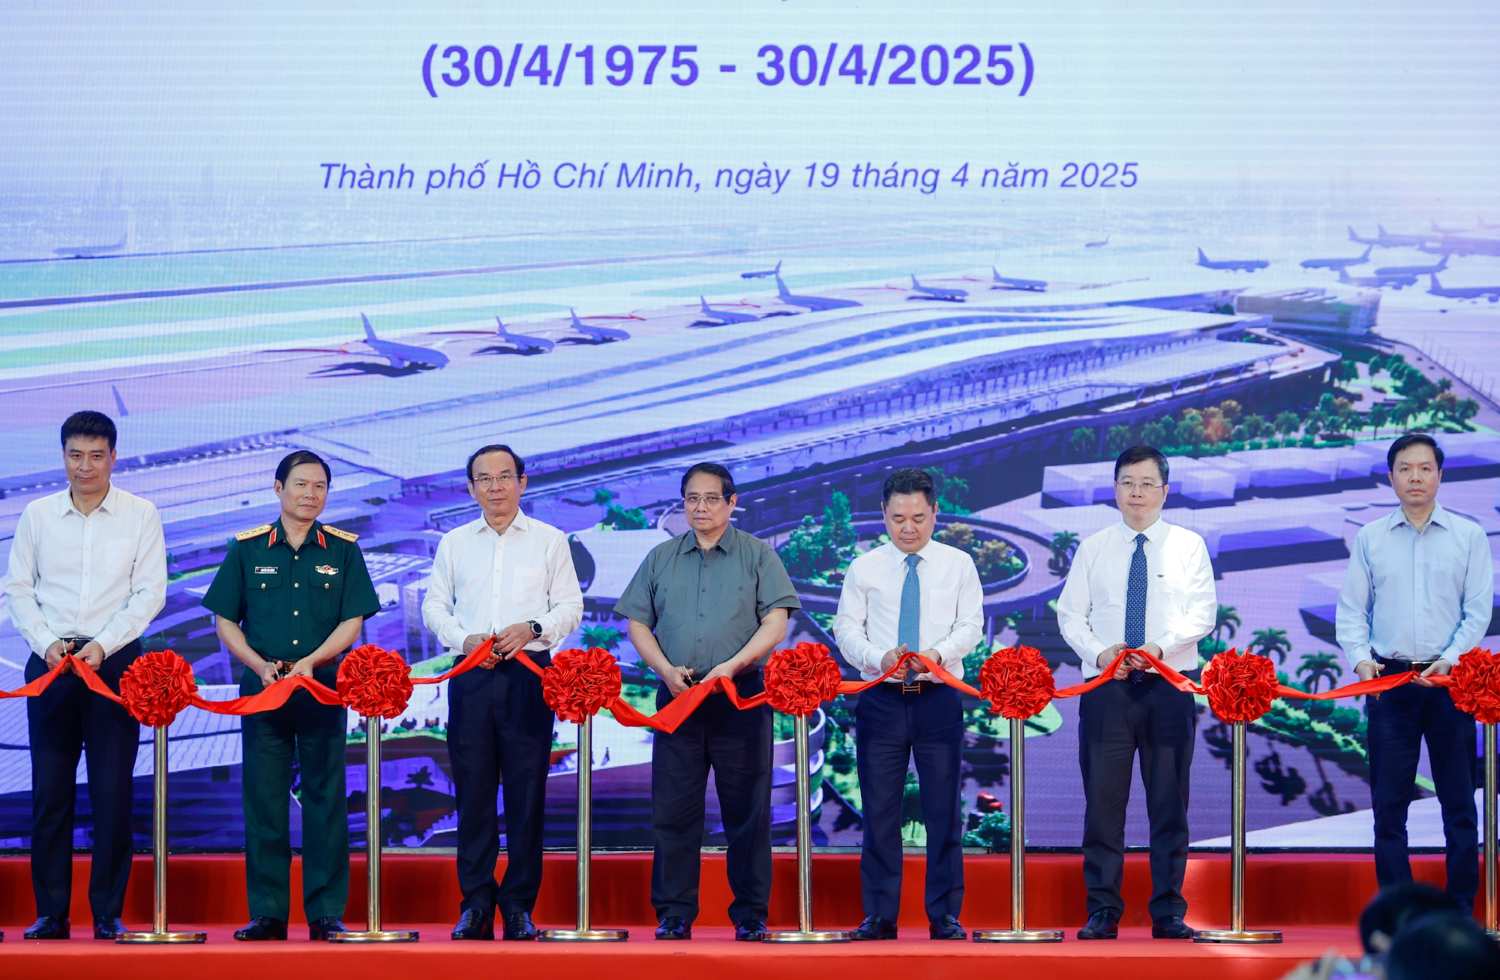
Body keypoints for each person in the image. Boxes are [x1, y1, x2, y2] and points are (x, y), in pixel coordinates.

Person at [615, 462, 800, 941]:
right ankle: (674, 913)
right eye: (692, 499)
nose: (700, 508)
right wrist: (664, 670)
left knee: (748, 809)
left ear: (732, 503)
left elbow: (775, 623)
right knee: (674, 809)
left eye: (711, 498)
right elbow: (637, 622)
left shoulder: (758, 555)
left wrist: (732, 666)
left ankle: (751, 915)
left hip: (740, 694)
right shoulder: (661, 558)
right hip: (678, 694)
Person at [202, 450, 380, 941]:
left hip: (322, 689)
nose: (310, 494)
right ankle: (269, 913)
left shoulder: (343, 549)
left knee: (325, 798)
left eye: (319, 486)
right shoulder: (248, 548)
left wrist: (314, 661)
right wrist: (259, 664)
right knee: (263, 800)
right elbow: (225, 620)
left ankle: (326, 913)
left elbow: (353, 620)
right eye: (300, 485)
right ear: (278, 488)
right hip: (262, 692)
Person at [5, 411, 166, 940]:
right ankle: (51, 912)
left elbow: (149, 593)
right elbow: (19, 589)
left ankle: (106, 913)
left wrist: (103, 644)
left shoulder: (140, 515)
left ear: (113, 458)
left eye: (97, 455)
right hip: (50, 665)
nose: (85, 466)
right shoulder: (38, 515)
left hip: (113, 665)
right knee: (51, 795)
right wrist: (46, 643)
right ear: (63, 456)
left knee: (112, 793)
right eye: (76, 455)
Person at [422, 444, 583, 941]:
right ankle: (474, 905)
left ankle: (518, 907)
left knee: (526, 795)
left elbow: (570, 607)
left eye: (505, 477)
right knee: (472, 795)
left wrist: (533, 627)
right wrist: (463, 639)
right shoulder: (454, 543)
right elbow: (434, 607)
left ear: (523, 482)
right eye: (484, 479)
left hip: (529, 677)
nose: (495, 487)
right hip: (470, 676)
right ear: (471, 488)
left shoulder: (550, 540)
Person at [1056, 445, 1215, 941]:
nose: (1137, 492)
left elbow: (1201, 615)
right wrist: (1104, 654)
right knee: (1103, 805)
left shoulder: (1188, 546)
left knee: (1169, 803)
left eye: (1147, 483)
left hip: (1167, 688)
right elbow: (1069, 615)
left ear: (1165, 491)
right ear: (1115, 489)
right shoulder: (1094, 547)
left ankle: (1168, 910)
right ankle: (1103, 909)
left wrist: (1157, 649)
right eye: (1128, 482)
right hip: (1108, 691)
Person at [1336, 433, 1491, 910]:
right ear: (1392, 477)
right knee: (1389, 806)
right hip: (1391, 685)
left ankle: (1461, 910)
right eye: (1406, 468)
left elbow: (1478, 611)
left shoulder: (1469, 536)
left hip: (1451, 684)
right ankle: (1399, 913)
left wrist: (1452, 658)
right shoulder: (1371, 537)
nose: (1416, 477)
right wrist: (1362, 661)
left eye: (1425, 468)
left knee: (1460, 804)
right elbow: (1350, 610)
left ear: (1440, 475)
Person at [832, 467, 982, 941]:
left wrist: (936, 657)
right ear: (883, 514)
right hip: (881, 700)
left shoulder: (958, 564)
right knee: (879, 811)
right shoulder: (864, 568)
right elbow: (846, 630)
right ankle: (880, 915)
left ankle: (944, 915)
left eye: (918, 516)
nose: (908, 527)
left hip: (938, 699)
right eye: (898, 518)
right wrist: (880, 658)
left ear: (935, 512)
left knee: (942, 810)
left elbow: (971, 625)